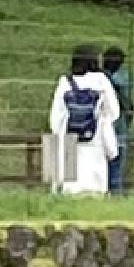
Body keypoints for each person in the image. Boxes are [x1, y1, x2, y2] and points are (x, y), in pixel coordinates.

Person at [49, 45, 120, 199]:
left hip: (69, 139)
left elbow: (55, 117)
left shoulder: (65, 81)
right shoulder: (101, 81)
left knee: (71, 185)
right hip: (95, 138)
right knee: (94, 179)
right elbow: (114, 111)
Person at [101, 48, 134, 195]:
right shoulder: (125, 78)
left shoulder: (101, 79)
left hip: (104, 130)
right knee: (117, 168)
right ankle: (115, 194)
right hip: (120, 129)